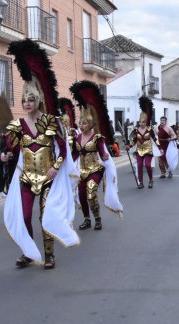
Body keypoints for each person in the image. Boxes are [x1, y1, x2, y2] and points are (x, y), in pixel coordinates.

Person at [3, 38, 79, 270]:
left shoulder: (51, 122)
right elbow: (12, 147)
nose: (27, 103)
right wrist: (6, 154)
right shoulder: (16, 125)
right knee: (24, 215)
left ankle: (49, 255)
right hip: (26, 177)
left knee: (45, 217)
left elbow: (63, 149)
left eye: (31, 99)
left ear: (38, 101)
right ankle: (28, 252)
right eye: (24, 99)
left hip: (47, 177)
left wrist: (55, 167)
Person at [69, 79, 123, 231]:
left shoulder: (97, 137)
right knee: (81, 195)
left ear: (91, 124)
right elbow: (74, 154)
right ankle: (87, 219)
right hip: (82, 170)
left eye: (84, 123)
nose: (81, 125)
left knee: (91, 192)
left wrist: (106, 155)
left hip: (96, 169)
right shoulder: (77, 138)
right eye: (80, 123)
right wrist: (63, 165)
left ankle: (97, 219)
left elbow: (103, 152)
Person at [126, 96, 162, 189]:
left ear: (146, 122)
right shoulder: (136, 130)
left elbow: (155, 139)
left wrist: (160, 148)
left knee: (147, 165)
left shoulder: (150, 129)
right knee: (139, 165)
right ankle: (140, 182)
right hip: (139, 150)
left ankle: (151, 180)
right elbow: (134, 140)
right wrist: (129, 146)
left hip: (148, 150)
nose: (142, 123)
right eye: (140, 122)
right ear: (139, 121)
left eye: (144, 122)